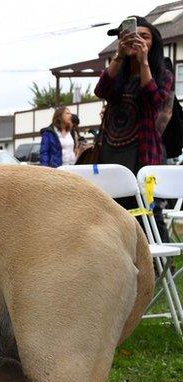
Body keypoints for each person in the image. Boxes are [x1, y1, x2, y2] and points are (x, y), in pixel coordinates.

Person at [95, 16, 174, 240]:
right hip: (111, 152)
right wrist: (119, 55)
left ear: (153, 43)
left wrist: (144, 62)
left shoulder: (163, 74)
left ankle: (159, 266)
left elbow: (154, 101)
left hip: (144, 155)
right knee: (115, 211)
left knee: (149, 211)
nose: (137, 40)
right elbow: (100, 91)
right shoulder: (118, 72)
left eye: (144, 36)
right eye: (132, 35)